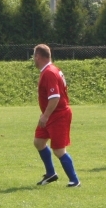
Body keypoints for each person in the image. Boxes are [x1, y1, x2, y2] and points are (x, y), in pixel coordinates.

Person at [33, 44, 80, 187]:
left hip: (58, 115)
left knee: (59, 150)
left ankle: (74, 181)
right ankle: (51, 173)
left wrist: (45, 116)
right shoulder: (51, 70)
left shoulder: (49, 72)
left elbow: (55, 97)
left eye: (34, 56)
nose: (33, 59)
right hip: (51, 114)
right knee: (39, 142)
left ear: (38, 57)